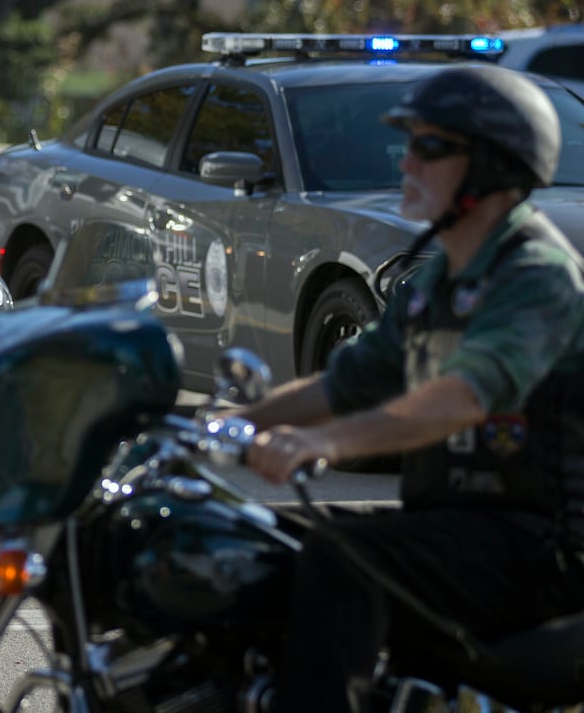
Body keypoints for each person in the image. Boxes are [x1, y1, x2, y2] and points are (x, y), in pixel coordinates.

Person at [234, 65, 584, 712]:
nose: (406, 162)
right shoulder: (435, 281)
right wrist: (222, 425)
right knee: (252, 542)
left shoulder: (535, 276)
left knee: (345, 558)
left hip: (542, 546)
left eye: (429, 147)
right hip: (454, 529)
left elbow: (465, 397)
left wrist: (323, 443)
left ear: (490, 168)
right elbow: (348, 380)